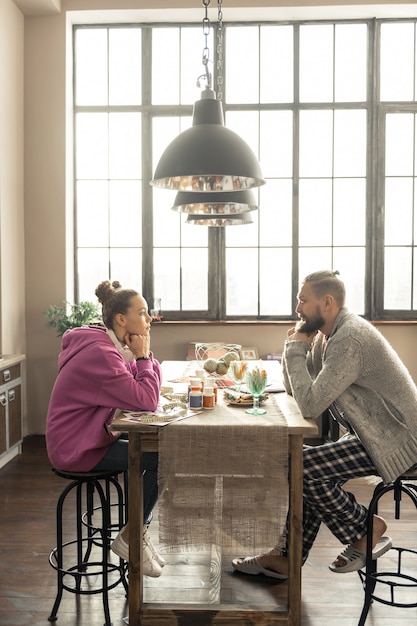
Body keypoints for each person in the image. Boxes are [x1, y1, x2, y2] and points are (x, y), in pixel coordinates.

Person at [232, 269, 417, 578]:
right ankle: (287, 557)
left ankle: (367, 527)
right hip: (371, 435)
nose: (298, 309)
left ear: (327, 302)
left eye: (303, 300)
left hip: (402, 441)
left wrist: (294, 349)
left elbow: (310, 405)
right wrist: (296, 346)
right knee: (299, 464)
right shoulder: (326, 336)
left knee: (300, 467)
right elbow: (297, 391)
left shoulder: (350, 338)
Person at [46, 280, 165, 577]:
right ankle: (133, 535)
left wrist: (144, 355)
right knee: (165, 458)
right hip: (77, 448)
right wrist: (142, 357)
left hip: (93, 434)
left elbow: (145, 388)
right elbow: (147, 400)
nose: (149, 320)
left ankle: (135, 533)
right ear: (122, 320)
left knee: (159, 447)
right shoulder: (101, 354)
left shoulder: (108, 345)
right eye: (144, 312)